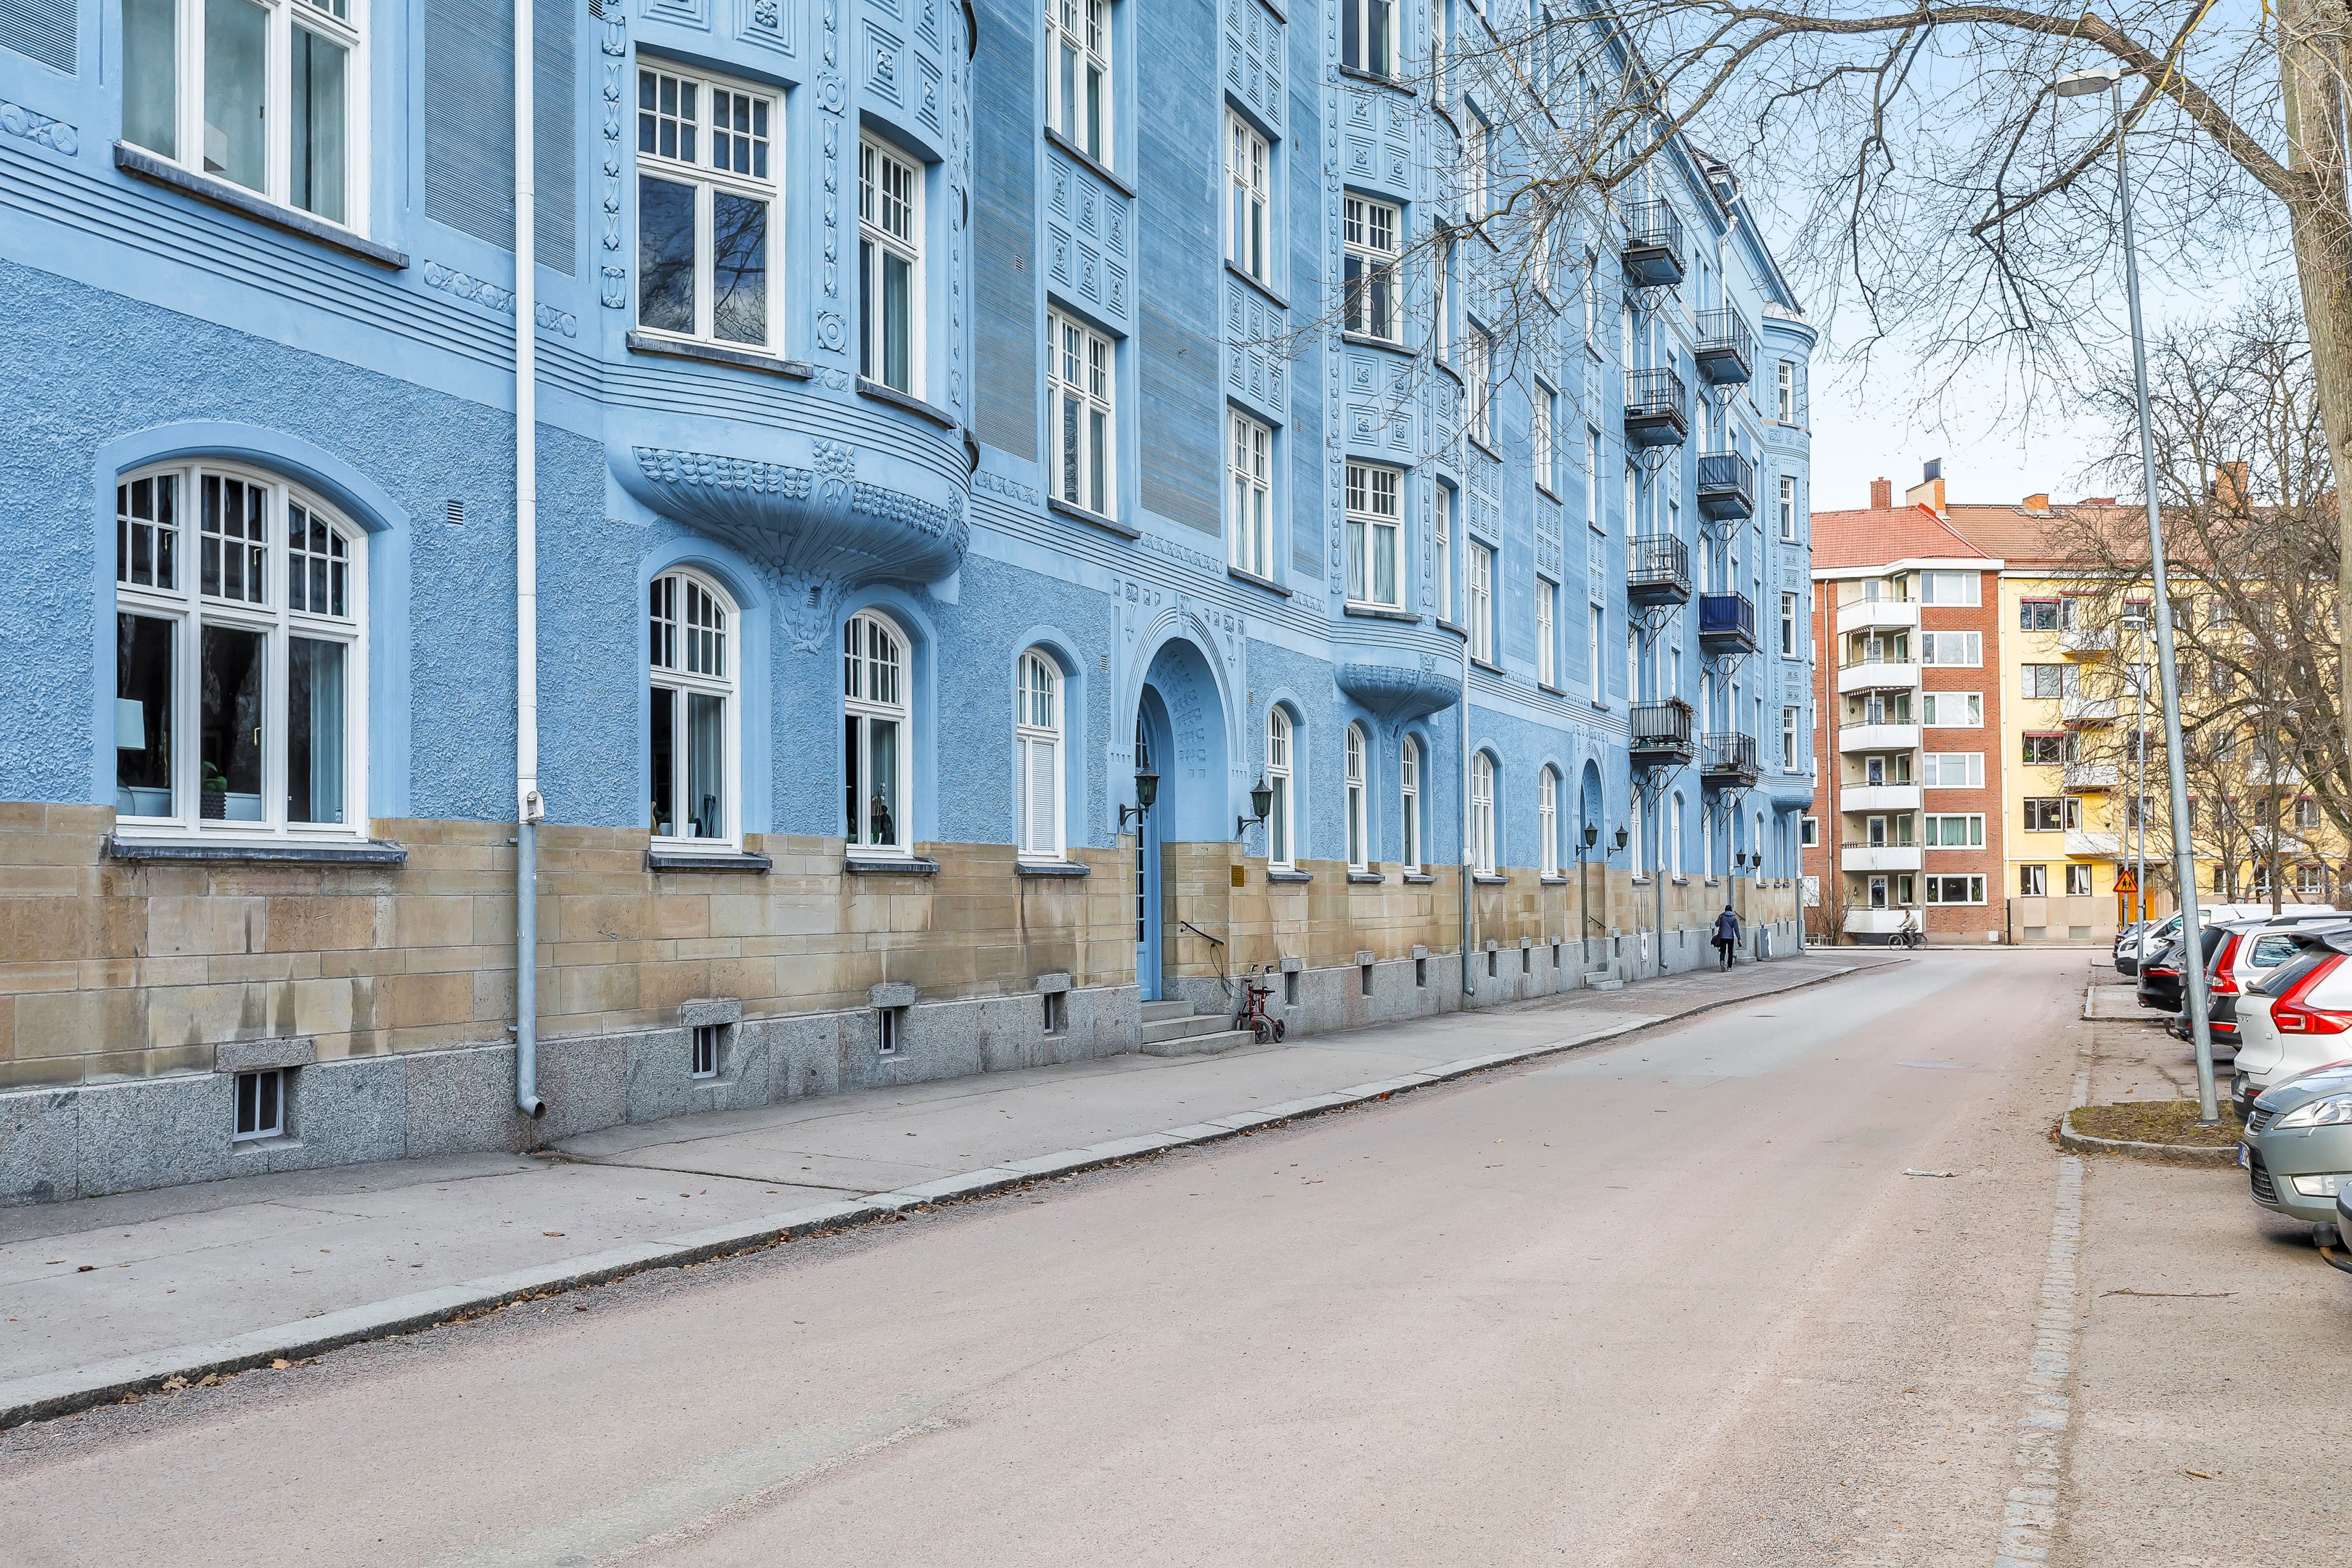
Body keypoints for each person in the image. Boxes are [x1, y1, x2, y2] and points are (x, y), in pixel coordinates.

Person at [1712, 904, 1740, 971]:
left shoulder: (1722, 916)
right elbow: (1736, 929)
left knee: (1723, 951)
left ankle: (1722, 961)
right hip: (1730, 937)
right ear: (1731, 910)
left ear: (1725, 910)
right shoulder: (1734, 917)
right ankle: (1729, 967)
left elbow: (1717, 924)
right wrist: (1739, 938)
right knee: (1730, 952)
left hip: (1723, 936)